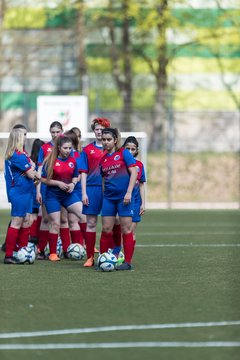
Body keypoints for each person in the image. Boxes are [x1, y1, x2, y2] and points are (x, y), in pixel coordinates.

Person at [99, 128, 138, 271]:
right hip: (109, 198)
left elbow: (134, 172)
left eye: (108, 139)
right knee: (106, 229)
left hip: (124, 198)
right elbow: (104, 180)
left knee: (126, 229)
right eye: (103, 140)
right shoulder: (102, 159)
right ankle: (103, 259)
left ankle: (127, 262)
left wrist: (128, 192)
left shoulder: (124, 153)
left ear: (115, 140)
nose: (106, 142)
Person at [41, 135, 85, 261]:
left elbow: (76, 176)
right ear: (59, 148)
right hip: (53, 196)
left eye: (70, 148)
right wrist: (58, 183)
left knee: (84, 216)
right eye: (65, 148)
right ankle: (53, 253)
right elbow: (43, 179)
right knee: (55, 223)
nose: (68, 150)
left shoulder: (73, 160)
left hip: (68, 195)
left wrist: (73, 183)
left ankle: (84, 246)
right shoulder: (50, 161)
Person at [3, 128, 40, 264]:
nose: (25, 137)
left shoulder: (23, 154)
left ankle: (22, 251)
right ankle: (8, 255)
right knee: (17, 221)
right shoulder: (17, 155)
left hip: (27, 191)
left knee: (27, 220)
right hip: (19, 192)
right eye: (23, 135)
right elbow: (32, 174)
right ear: (18, 138)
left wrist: (33, 172)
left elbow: (32, 173)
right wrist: (34, 172)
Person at [78, 117, 111, 267]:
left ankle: (107, 254)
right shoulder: (87, 150)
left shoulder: (112, 150)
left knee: (108, 225)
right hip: (92, 189)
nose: (99, 132)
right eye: (97, 129)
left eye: (102, 129)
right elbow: (83, 172)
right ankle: (90, 256)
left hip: (109, 191)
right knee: (90, 223)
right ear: (94, 131)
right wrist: (84, 192)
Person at [36, 121, 71, 259]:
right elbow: (39, 170)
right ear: (50, 132)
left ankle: (67, 250)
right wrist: (38, 190)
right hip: (47, 187)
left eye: (58, 132)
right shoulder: (45, 148)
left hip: (63, 188)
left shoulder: (66, 148)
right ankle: (41, 249)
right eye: (53, 132)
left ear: (62, 131)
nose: (56, 134)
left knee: (63, 219)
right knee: (46, 219)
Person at [64, 129, 86, 247]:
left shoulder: (79, 154)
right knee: (70, 220)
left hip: (76, 190)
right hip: (63, 191)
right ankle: (76, 247)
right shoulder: (60, 154)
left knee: (82, 216)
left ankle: (86, 244)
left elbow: (81, 172)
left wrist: (74, 182)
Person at [123, 136, 146, 240]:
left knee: (131, 230)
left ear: (136, 151)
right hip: (122, 199)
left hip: (136, 200)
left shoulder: (139, 165)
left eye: (133, 149)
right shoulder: (120, 163)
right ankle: (117, 252)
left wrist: (143, 203)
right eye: (127, 148)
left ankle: (128, 255)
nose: (130, 151)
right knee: (121, 229)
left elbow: (141, 185)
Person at [29, 138, 45, 245]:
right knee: (40, 216)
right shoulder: (41, 163)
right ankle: (37, 238)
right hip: (39, 191)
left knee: (32, 216)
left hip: (31, 192)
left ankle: (32, 238)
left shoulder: (29, 160)